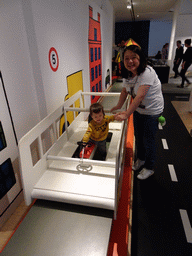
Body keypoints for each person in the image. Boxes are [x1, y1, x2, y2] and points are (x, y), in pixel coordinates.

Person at [111, 45, 164, 180]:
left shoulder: (147, 72)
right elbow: (125, 90)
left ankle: (149, 167)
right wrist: (118, 105)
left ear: (140, 58)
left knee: (148, 140)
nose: (130, 61)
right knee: (138, 136)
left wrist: (126, 113)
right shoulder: (128, 74)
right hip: (139, 110)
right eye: (126, 58)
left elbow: (139, 96)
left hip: (152, 111)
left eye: (133, 58)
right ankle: (141, 159)